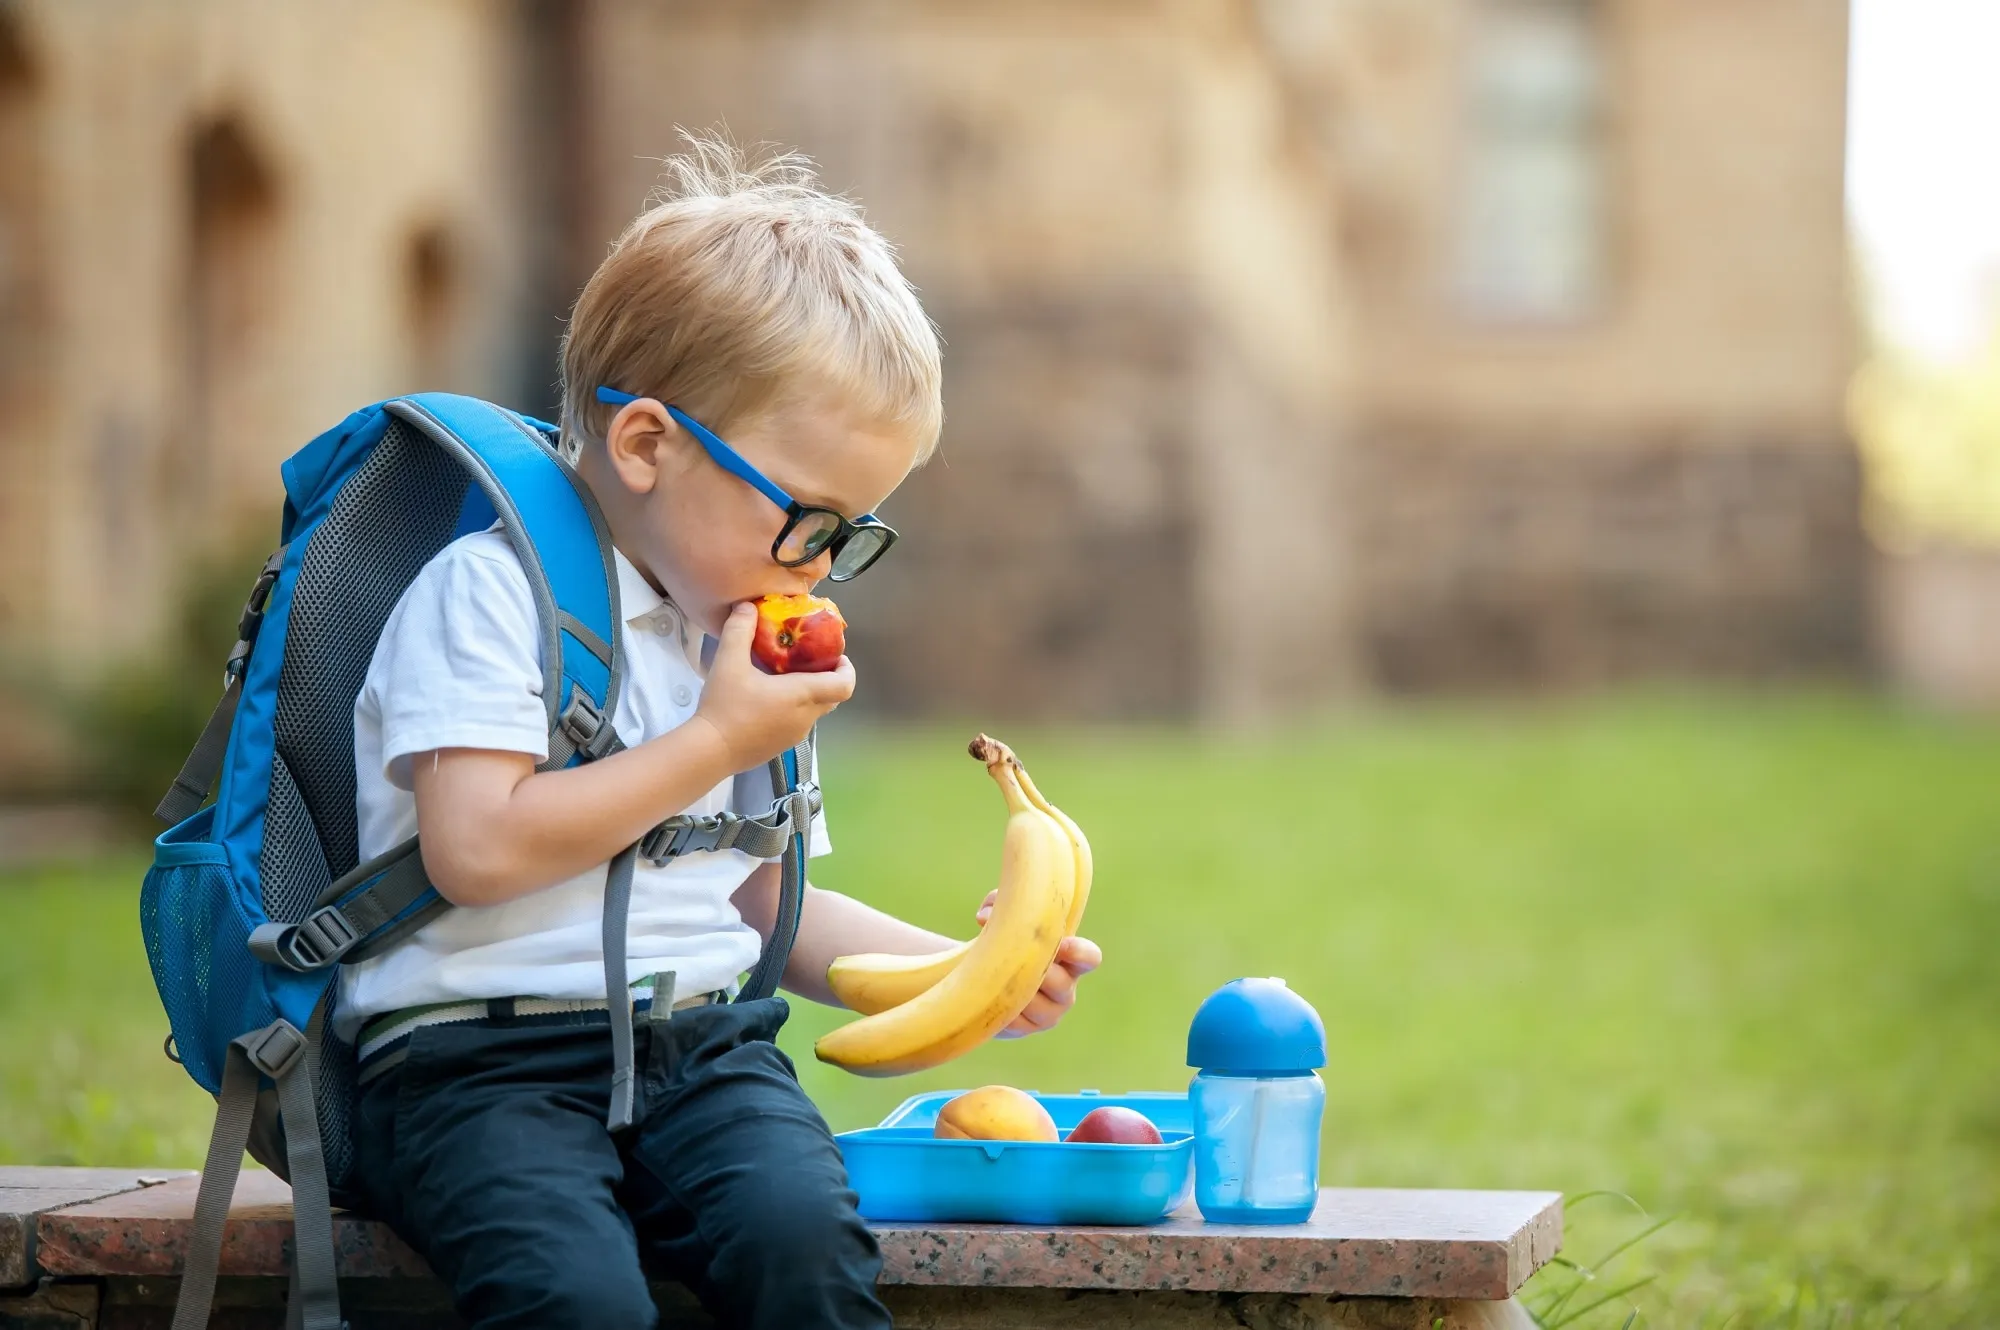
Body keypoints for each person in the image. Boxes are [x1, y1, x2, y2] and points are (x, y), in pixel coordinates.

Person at [335, 134, 1101, 1329]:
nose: (820, 563)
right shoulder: (489, 598)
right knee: (574, 1301)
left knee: (806, 1249)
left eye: (851, 531)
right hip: (473, 1068)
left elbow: (755, 904)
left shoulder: (734, 640)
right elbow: (473, 851)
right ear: (646, 445)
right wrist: (711, 741)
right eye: (807, 517)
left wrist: (972, 975)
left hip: (701, 1052)